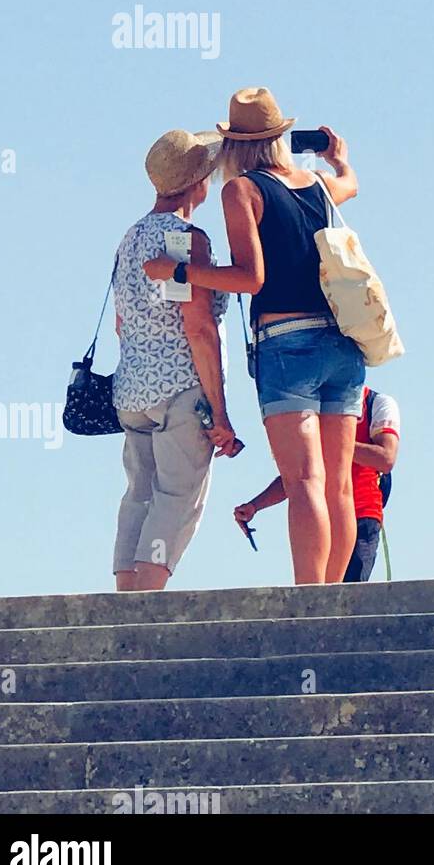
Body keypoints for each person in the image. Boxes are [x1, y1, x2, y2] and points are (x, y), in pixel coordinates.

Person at [144, 87, 365, 586]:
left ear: (234, 147)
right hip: (342, 344)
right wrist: (338, 158)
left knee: (303, 479)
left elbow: (251, 278)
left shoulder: (242, 191)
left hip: (288, 345)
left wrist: (179, 273)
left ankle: (311, 602)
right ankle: (336, 601)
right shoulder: (317, 185)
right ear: (280, 137)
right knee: (338, 486)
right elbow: (350, 183)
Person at [112, 129, 237, 592]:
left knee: (138, 496)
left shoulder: (130, 237)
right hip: (180, 389)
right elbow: (199, 328)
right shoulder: (185, 239)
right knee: (177, 498)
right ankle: (146, 608)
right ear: (198, 183)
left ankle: (123, 609)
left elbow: (122, 323)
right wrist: (220, 412)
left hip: (131, 390)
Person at [234, 386, 400, 582]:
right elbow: (298, 476)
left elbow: (386, 458)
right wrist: (255, 505)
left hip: (362, 515)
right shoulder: (309, 412)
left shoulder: (377, 403)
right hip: (319, 518)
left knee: (346, 596)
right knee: (318, 591)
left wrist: (336, 441)